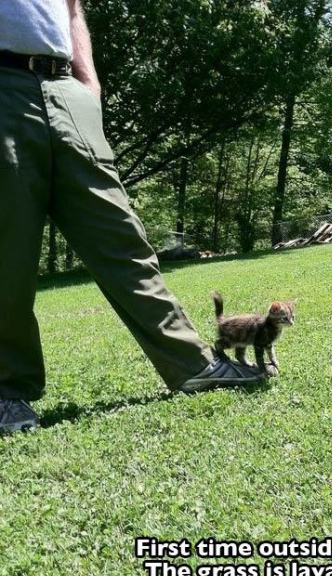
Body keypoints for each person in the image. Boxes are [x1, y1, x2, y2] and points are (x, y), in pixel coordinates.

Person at [0, 0, 266, 434]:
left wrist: (88, 83)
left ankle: (194, 363)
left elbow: (70, 9)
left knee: (122, 238)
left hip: (65, 89)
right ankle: (7, 393)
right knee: (6, 250)